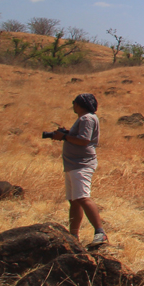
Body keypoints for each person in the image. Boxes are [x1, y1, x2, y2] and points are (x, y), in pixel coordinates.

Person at [51, 93, 107, 245]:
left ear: (79, 104)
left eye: (74, 102)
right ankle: (73, 236)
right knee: (75, 201)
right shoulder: (85, 118)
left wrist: (64, 137)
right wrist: (67, 134)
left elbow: (84, 140)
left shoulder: (87, 118)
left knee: (82, 198)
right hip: (73, 164)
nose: (73, 105)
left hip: (81, 163)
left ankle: (100, 233)